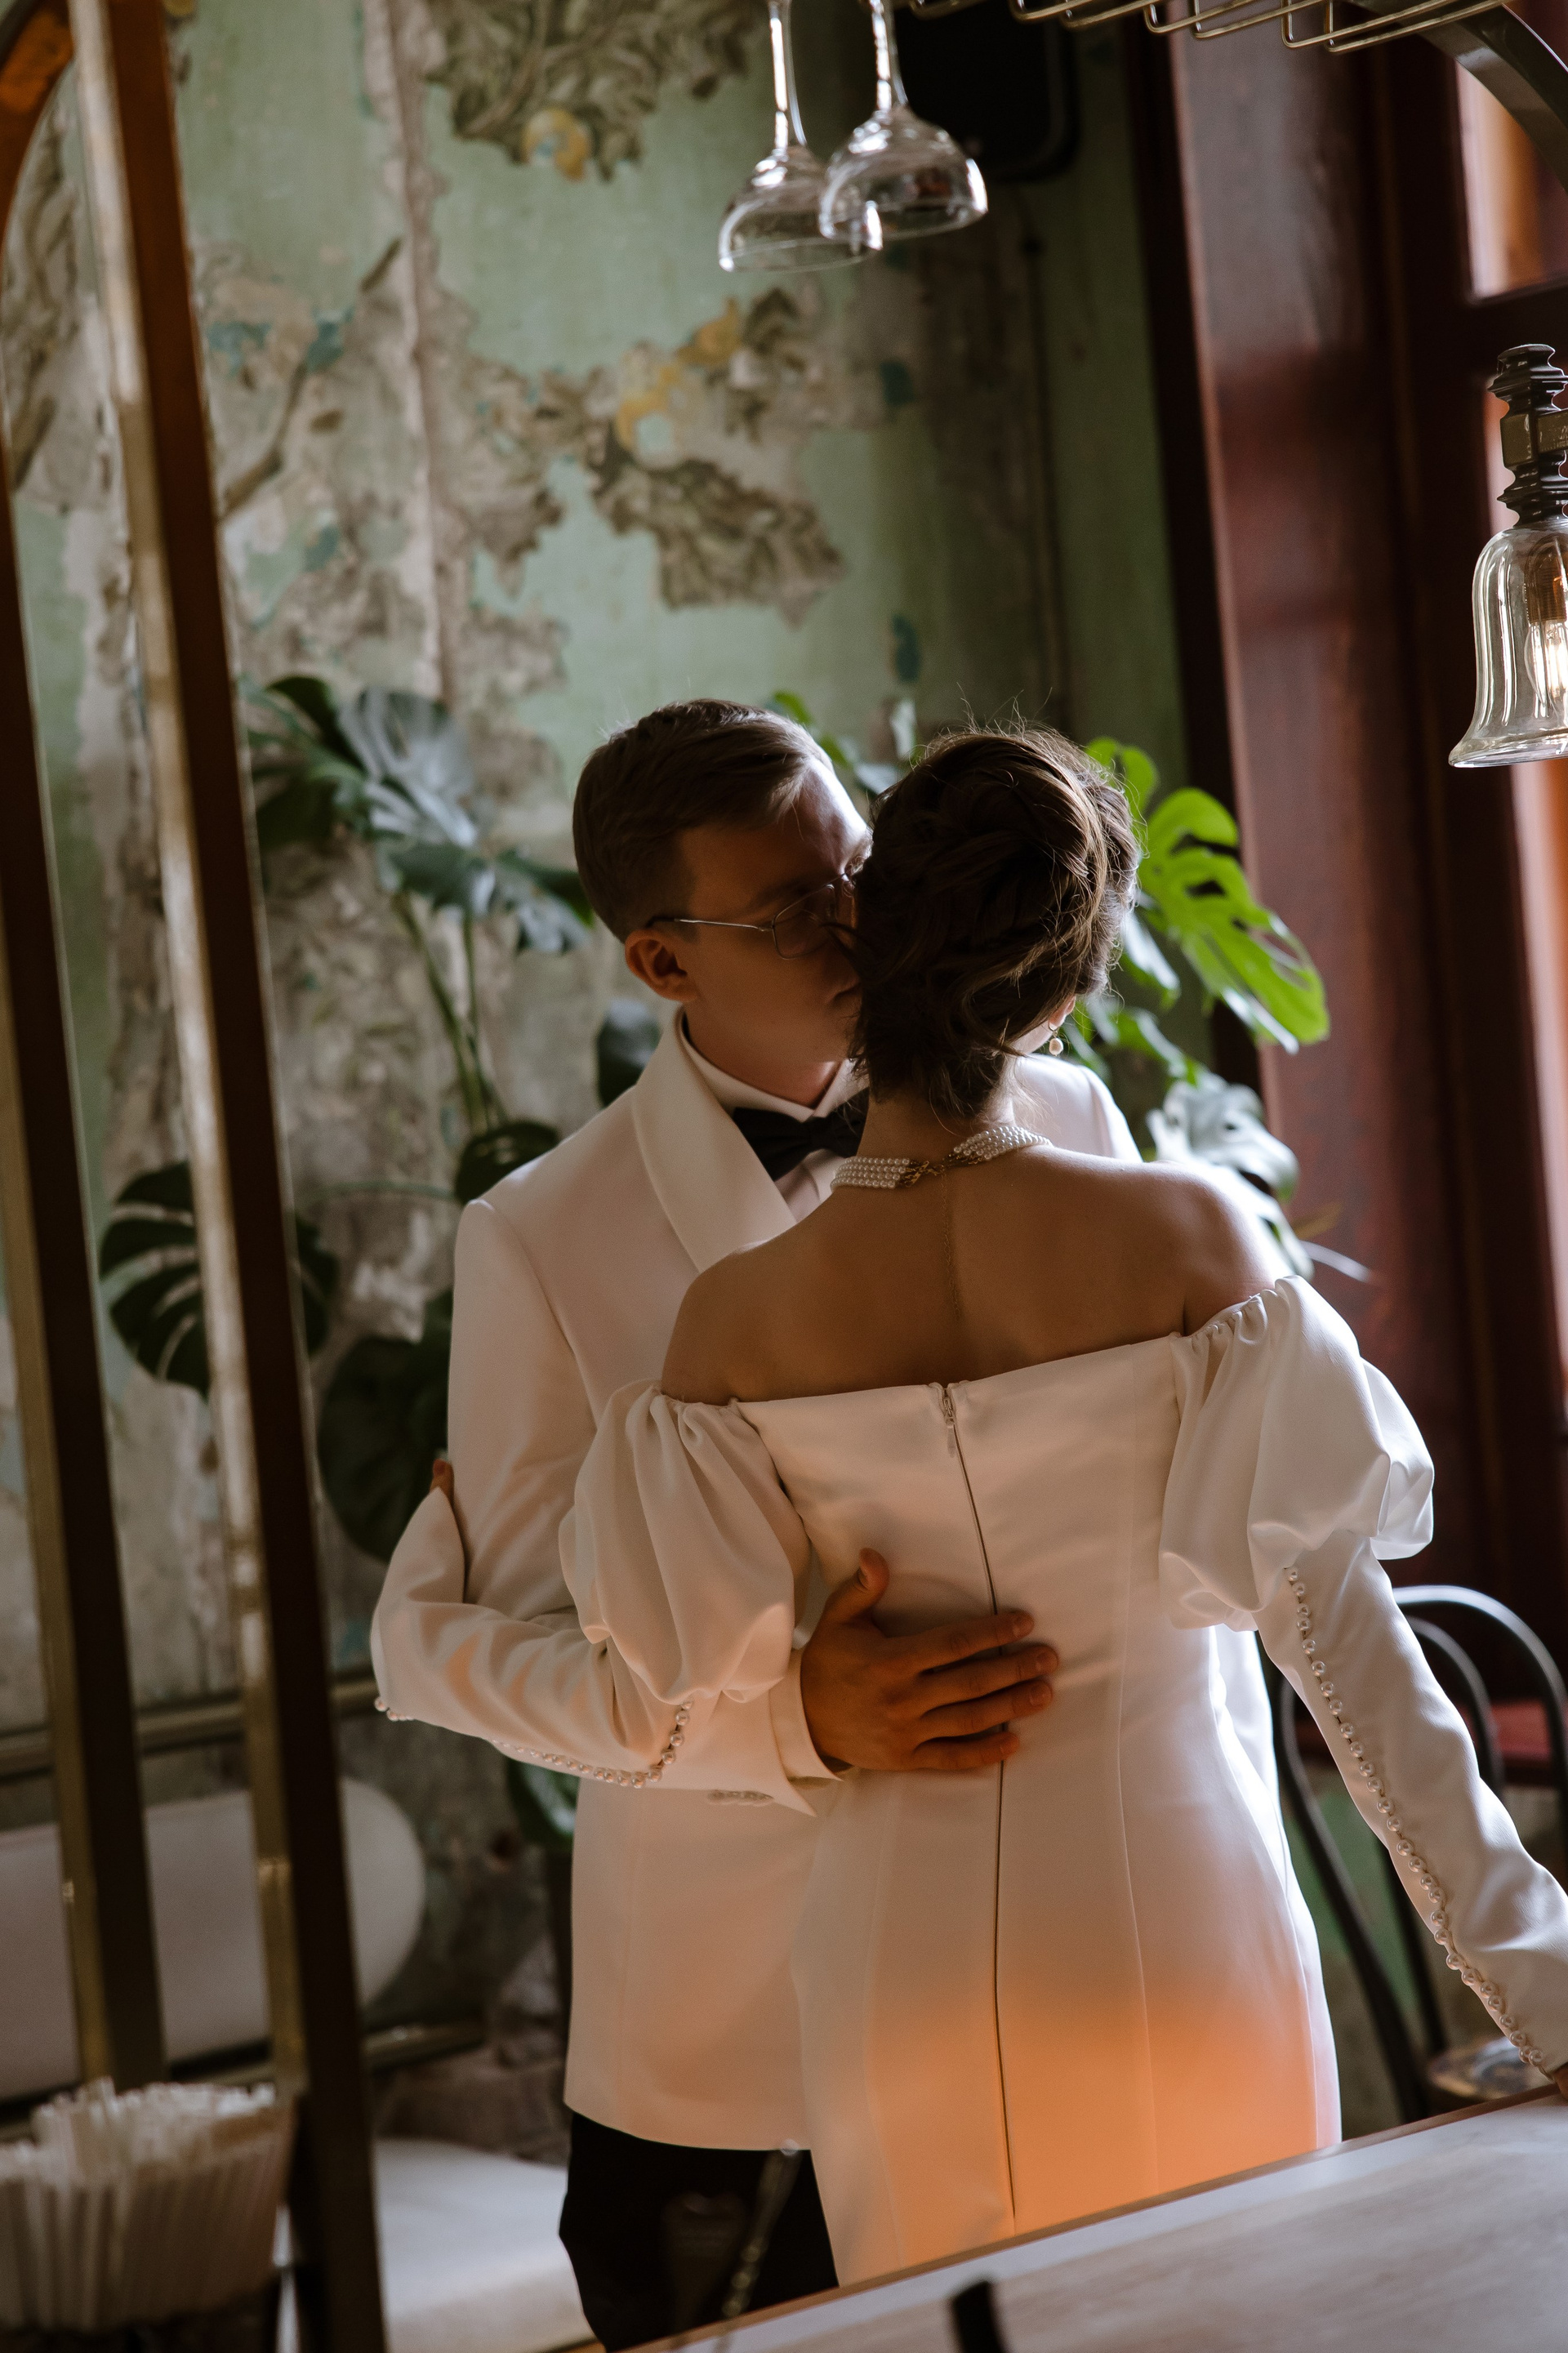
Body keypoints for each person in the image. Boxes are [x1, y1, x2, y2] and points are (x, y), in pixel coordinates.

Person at [559, 725, 1568, 2288]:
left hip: (897, 1974)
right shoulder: (1187, 1240)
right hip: (1172, 1920)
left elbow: (673, 1679)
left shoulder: (732, 1323)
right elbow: (1353, 1666)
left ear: (874, 940)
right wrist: (1546, 1986)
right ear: (1055, 996)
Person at [372, 701, 1196, 2347]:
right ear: (661, 960)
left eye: (862, 867)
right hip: (735, 2046)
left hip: (1044, 1973)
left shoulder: (1071, 1122)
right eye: (797, 906)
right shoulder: (541, 1237)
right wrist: (794, 1718)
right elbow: (534, 1652)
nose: (861, 919)